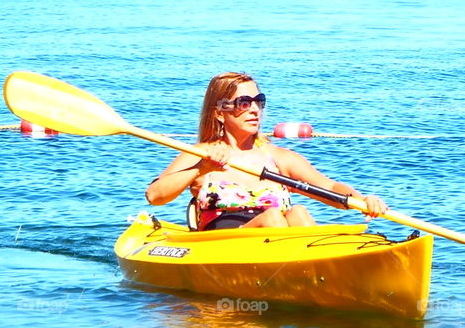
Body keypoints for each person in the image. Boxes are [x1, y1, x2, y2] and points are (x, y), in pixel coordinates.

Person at [145, 72, 388, 230]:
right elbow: (155, 196)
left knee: (299, 212)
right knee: (272, 217)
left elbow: (330, 189)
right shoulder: (201, 153)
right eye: (243, 103)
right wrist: (201, 168)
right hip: (225, 244)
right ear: (219, 113)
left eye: (258, 101)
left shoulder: (280, 158)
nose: (254, 110)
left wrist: (363, 199)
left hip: (277, 244)